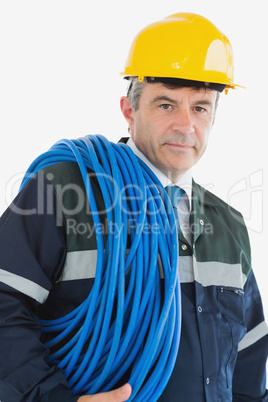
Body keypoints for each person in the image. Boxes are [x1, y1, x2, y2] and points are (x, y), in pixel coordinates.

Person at [0, 12, 267, 402]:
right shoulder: (65, 192)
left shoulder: (227, 224)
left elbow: (250, 353)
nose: (185, 126)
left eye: (200, 108)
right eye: (165, 105)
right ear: (129, 109)